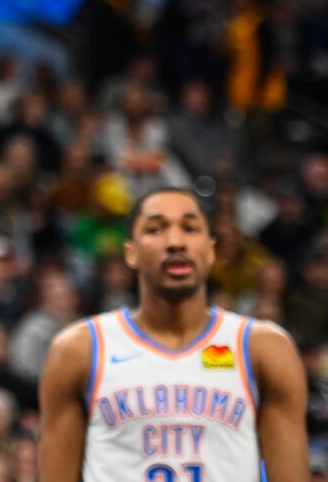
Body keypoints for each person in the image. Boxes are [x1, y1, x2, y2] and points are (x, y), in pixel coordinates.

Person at [38, 186, 309, 481]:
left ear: (210, 250)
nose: (176, 242)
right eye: (156, 229)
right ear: (131, 252)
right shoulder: (80, 349)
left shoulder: (262, 348)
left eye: (190, 228)